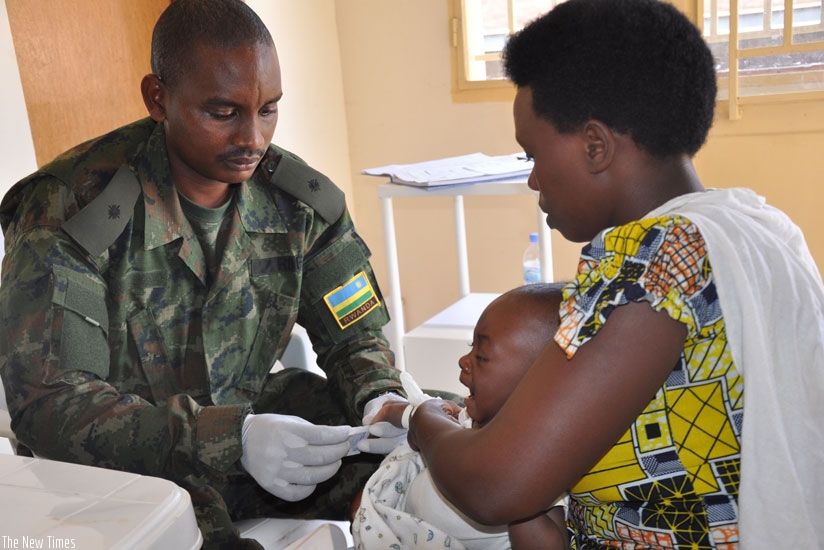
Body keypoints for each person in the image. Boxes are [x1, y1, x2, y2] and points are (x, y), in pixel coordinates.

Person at [405, 1, 824, 549]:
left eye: (532, 153)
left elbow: (495, 485)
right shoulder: (758, 225)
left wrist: (424, 422)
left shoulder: (652, 257)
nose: (533, 180)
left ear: (595, 146)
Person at [0, 1, 414, 548]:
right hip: (127, 466)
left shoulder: (298, 203)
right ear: (158, 98)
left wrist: (379, 399)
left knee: (434, 457)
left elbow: (354, 335)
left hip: (256, 429)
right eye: (223, 112)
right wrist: (230, 439)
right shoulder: (71, 209)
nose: (252, 138)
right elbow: (50, 407)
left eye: (268, 109)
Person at [353, 283, 569, 550]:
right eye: (471, 346)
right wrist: (400, 411)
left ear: (536, 386)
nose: (463, 361)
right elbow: (422, 428)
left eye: (481, 356)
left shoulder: (540, 476)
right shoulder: (469, 423)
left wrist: (522, 502)